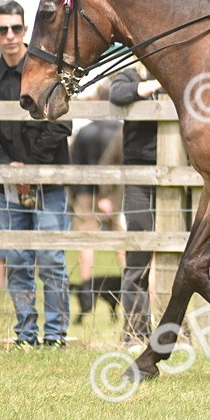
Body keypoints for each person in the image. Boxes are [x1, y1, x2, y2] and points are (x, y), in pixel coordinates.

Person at [0, 0, 72, 348]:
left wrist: (32, 167)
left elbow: (61, 125)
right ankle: (25, 334)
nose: (11, 36)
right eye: (2, 29)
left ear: (26, 30)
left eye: (17, 28)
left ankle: (56, 334)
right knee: (17, 260)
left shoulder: (48, 71)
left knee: (50, 259)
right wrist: (8, 167)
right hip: (11, 184)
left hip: (49, 181)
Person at [109, 65, 160, 347]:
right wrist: (151, 86)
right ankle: (135, 331)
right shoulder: (130, 73)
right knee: (138, 253)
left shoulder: (176, 66)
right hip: (140, 171)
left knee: (182, 255)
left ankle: (180, 329)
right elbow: (117, 93)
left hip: (183, 169)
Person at [68, 83, 122, 287]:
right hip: (115, 192)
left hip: (84, 193)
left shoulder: (84, 132)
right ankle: (129, 284)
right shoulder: (120, 130)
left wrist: (74, 194)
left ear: (95, 100)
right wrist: (107, 194)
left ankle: (86, 285)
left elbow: (73, 162)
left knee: (87, 239)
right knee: (123, 240)